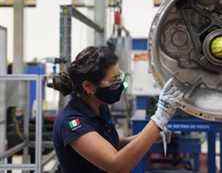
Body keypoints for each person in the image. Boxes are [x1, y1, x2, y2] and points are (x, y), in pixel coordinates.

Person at [51, 46, 184, 173]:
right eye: (114, 80)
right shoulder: (72, 122)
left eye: (120, 77)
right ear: (89, 87)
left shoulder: (100, 107)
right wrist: (159, 120)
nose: (120, 84)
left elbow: (111, 143)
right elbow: (116, 167)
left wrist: (150, 136)